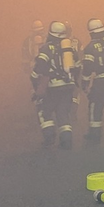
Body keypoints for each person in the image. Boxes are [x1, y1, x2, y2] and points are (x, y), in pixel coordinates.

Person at [30, 21, 77, 149]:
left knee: (44, 111)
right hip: (68, 86)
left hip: (52, 87)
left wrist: (34, 79)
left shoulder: (47, 48)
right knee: (63, 113)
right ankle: (66, 141)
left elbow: (40, 66)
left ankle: (49, 137)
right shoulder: (69, 48)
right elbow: (78, 66)